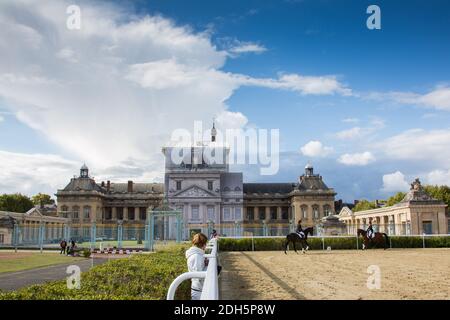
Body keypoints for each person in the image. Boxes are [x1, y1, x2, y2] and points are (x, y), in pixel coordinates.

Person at [185, 233, 208, 300]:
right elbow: (198, 275)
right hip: (199, 290)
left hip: (197, 288)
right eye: (205, 243)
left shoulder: (197, 254)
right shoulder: (197, 256)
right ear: (203, 244)